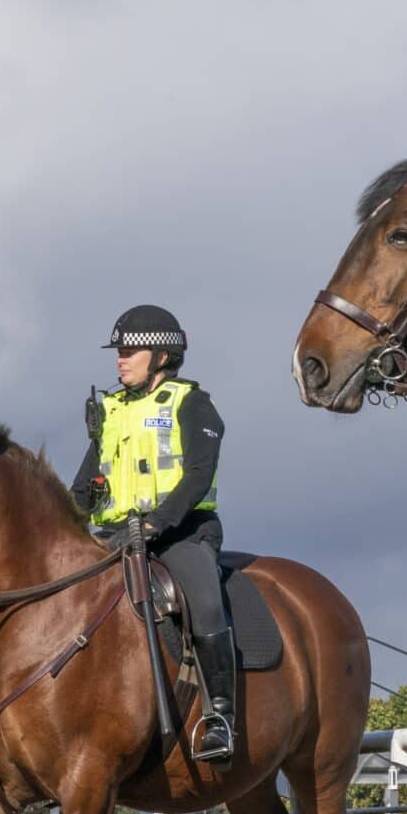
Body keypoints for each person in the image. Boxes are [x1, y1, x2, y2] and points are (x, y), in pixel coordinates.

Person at [71, 304, 236, 761]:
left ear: (160, 356)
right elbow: (86, 483)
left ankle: (221, 715)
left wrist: (154, 523)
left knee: (203, 599)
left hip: (179, 533)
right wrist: (65, 523)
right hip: (113, 536)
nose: (119, 358)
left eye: (128, 350)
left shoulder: (192, 403)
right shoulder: (110, 409)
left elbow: (198, 476)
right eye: (118, 351)